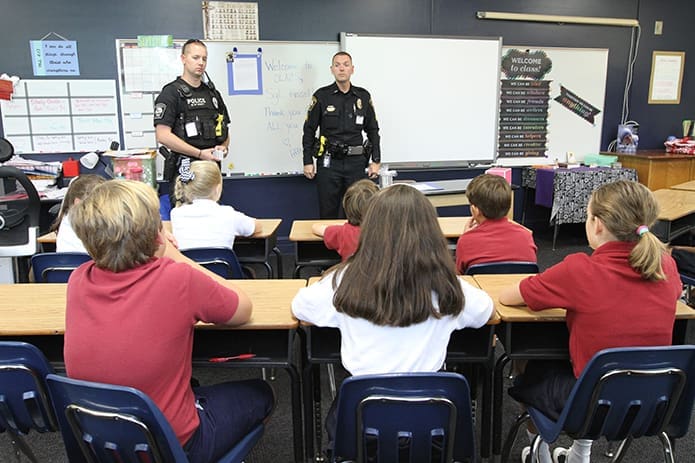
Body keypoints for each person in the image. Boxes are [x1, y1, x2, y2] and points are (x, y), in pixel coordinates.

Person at [63, 180, 273, 463]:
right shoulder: (176, 277)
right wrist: (176, 257)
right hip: (171, 446)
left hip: (101, 443)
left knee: (189, 383)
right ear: (155, 234)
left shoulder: (78, 279)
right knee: (262, 393)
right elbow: (242, 309)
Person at [292, 184, 494, 443]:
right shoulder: (448, 287)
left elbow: (300, 306)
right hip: (430, 423)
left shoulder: (344, 281)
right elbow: (485, 309)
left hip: (361, 423)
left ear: (370, 229)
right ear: (430, 231)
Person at [499, 180, 681, 463]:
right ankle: (579, 455)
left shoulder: (580, 270)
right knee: (594, 373)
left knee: (526, 359)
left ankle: (539, 454)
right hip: (654, 404)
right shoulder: (667, 266)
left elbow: (512, 296)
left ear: (597, 224)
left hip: (589, 407)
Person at [302, 51, 381, 218]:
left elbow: (373, 130)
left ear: (352, 69)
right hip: (329, 163)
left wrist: (376, 160)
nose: (341, 69)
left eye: (346, 65)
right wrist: (307, 161)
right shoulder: (321, 96)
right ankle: (328, 245)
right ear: (332, 69)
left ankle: (356, 245)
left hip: (356, 163)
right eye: (337, 65)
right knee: (328, 212)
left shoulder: (363, 96)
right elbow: (309, 130)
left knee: (358, 212)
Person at [154, 38, 230, 206]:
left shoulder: (213, 94)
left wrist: (223, 147)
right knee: (185, 220)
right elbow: (163, 135)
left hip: (211, 171)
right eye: (196, 57)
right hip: (185, 170)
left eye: (204, 58)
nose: (201, 63)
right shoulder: (171, 93)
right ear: (183, 59)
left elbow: (224, 129)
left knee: (212, 219)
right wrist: (200, 154)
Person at [171, 158, 261, 250]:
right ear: (218, 189)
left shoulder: (176, 213)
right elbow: (255, 227)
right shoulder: (228, 213)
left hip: (186, 264)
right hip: (222, 264)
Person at [455, 174, 537, 273]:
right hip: (517, 287)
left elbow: (460, 277)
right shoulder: (526, 236)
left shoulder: (466, 241)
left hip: (481, 288)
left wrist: (466, 236)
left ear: (475, 210)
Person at [311, 178, 378, 261]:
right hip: (381, 273)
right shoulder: (385, 231)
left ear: (346, 206)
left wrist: (342, 225)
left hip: (350, 273)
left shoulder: (342, 232)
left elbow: (315, 227)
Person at [50, 174, 106, 253]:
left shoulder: (67, 218)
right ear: (78, 203)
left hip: (66, 263)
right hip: (84, 263)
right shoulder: (87, 221)